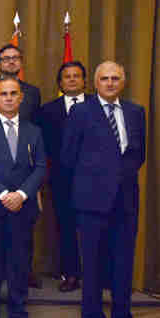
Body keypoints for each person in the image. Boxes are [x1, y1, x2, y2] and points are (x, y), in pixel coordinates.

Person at [60, 61, 146, 318]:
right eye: (105, 78)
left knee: (123, 262)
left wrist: (119, 176)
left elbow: (138, 154)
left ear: (123, 82)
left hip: (126, 201)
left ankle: (122, 312)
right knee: (93, 265)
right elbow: (68, 157)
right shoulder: (81, 112)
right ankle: (92, 313)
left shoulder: (135, 111)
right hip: (91, 202)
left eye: (115, 78)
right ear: (96, 83)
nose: (110, 83)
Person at [0, 78, 46, 318]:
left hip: (23, 208)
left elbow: (41, 167)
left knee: (19, 263)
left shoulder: (34, 131)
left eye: (14, 93)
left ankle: (17, 308)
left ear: (21, 97)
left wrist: (22, 195)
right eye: (4, 94)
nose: (9, 98)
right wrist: (4, 194)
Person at [35, 61, 91, 293]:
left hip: (94, 180)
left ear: (85, 81)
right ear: (60, 82)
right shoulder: (48, 111)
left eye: (76, 76)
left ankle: (97, 275)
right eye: (67, 76)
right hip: (62, 180)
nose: (72, 80)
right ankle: (71, 274)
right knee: (66, 228)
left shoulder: (97, 106)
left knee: (95, 228)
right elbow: (44, 148)